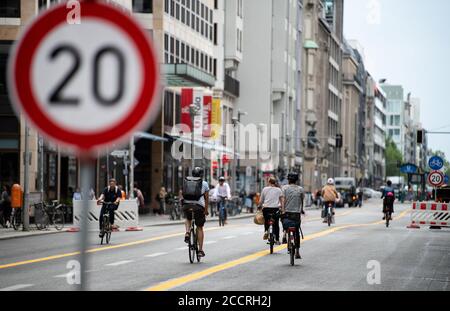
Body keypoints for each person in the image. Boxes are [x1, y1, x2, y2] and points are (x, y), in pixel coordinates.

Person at [182, 167, 209, 258]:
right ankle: (200, 250)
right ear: (202, 175)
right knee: (200, 227)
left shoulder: (186, 181)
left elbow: (183, 194)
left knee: (188, 218)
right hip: (198, 207)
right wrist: (206, 210)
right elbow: (206, 199)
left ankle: (187, 232)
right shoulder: (204, 183)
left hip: (187, 205)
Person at [281, 173, 305, 259]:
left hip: (287, 212)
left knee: (283, 220)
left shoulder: (284, 188)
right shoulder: (301, 189)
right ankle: (297, 252)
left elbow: (283, 200)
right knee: (297, 231)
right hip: (296, 214)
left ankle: (284, 234)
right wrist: (301, 209)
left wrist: (283, 210)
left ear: (288, 180)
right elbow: (302, 200)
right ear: (296, 180)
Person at [258, 177, 283, 244]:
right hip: (275, 209)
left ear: (269, 182)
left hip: (266, 209)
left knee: (266, 220)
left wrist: (259, 206)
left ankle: (266, 231)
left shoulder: (264, 189)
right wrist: (282, 208)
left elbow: (261, 200)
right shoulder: (279, 190)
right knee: (276, 224)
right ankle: (277, 239)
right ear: (275, 182)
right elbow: (281, 200)